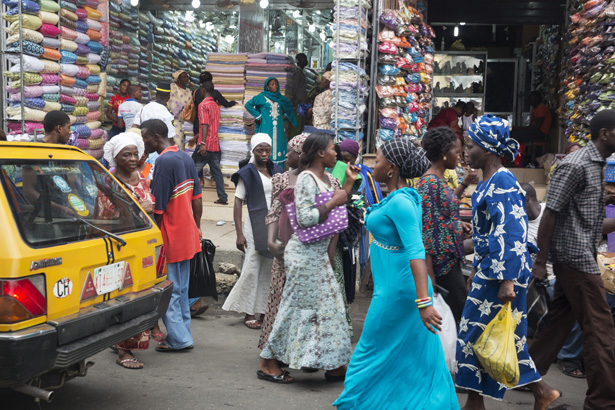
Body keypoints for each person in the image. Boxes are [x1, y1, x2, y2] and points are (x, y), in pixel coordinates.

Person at [334, 138, 459, 410]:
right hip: (396, 289)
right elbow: (370, 217)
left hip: (399, 293)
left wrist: (424, 302)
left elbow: (416, 251)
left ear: (391, 168)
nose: (372, 165)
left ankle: (358, 403)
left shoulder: (402, 202)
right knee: (408, 355)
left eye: (376, 161)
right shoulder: (395, 198)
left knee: (369, 351)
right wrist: (351, 185)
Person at [455, 114, 560, 410]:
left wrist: (507, 281)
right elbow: (489, 233)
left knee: (476, 334)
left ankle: (477, 403)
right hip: (490, 270)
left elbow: (512, 232)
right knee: (498, 335)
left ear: (488, 149)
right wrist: (476, 268)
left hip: (503, 273)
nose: (467, 150)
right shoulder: (491, 179)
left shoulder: (502, 180)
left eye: (472, 145)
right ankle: (539, 392)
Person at [529, 109, 615, 410]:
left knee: (557, 324)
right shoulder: (576, 166)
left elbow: (585, 219)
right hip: (574, 260)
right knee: (600, 329)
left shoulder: (596, 165)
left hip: (580, 255)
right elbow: (550, 212)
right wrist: (541, 260)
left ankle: (524, 375)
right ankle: (602, 401)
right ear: (605, 134)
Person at [259, 133, 358, 383]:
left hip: (318, 254)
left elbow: (337, 211)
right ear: (320, 153)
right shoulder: (306, 179)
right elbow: (305, 219)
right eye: (333, 149)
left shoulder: (325, 178)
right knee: (294, 309)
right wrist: (334, 200)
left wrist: (347, 185)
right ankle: (268, 363)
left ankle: (335, 365)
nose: (337, 153)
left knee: (330, 310)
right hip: (303, 256)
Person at [141, 119, 202, 352]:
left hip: (171, 234)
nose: (144, 141)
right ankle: (182, 333)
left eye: (145, 136)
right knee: (182, 288)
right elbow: (197, 199)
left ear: (156, 136)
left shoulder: (164, 161)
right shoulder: (185, 157)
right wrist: (196, 227)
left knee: (170, 290)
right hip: (187, 232)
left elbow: (158, 207)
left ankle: (179, 338)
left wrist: (152, 235)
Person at [102, 132, 155, 369]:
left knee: (142, 295)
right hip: (122, 248)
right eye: (126, 155)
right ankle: (123, 351)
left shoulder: (141, 178)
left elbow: (151, 205)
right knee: (125, 298)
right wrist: (137, 209)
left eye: (135, 153)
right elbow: (105, 217)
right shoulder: (110, 182)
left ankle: (126, 343)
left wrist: (149, 207)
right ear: (115, 158)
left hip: (143, 247)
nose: (133, 159)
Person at [222, 133, 284, 329]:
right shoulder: (247, 173)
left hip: (275, 224)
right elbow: (238, 202)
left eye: (267, 150)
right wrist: (239, 234)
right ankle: (249, 312)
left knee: (270, 268)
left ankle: (267, 311)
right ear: (253, 151)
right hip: (254, 225)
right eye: (260, 150)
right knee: (253, 266)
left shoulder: (277, 170)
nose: (264, 154)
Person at [417, 127, 474, 324]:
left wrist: (457, 225)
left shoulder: (439, 180)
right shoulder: (430, 184)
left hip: (450, 260)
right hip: (441, 267)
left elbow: (442, 216)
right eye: (456, 152)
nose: (459, 157)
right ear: (443, 154)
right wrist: (429, 276)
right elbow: (426, 230)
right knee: (457, 316)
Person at [258, 133, 308, 352]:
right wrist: (270, 241)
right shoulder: (282, 179)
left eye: (290, 151)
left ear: (303, 155)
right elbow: (274, 212)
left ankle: (302, 351)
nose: (286, 155)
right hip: (285, 252)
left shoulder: (328, 181)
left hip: (310, 254)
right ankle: (276, 350)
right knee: (281, 300)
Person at [245, 77, 297, 165]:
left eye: (276, 84)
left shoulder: (281, 98)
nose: (275, 86)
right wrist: (259, 116)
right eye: (272, 85)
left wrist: (283, 116)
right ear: (267, 87)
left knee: (279, 147)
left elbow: (288, 108)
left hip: (279, 128)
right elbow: (248, 105)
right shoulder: (261, 97)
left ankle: (278, 172)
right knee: (266, 144)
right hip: (266, 127)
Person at [193, 81, 228, 205]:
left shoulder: (203, 105)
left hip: (205, 145)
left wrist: (202, 143)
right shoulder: (216, 106)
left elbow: (205, 125)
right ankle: (223, 197)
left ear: (203, 90)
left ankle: (186, 196)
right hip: (215, 144)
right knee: (216, 172)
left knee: (191, 170)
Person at [193, 71, 237, 143]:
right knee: (208, 143)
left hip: (198, 122)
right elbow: (226, 104)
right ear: (211, 80)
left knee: (198, 144)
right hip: (210, 124)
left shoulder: (194, 92)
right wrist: (233, 102)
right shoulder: (215, 93)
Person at [168, 70, 192, 149]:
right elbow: (172, 101)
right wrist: (184, 108)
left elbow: (191, 104)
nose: (186, 79)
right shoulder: (173, 87)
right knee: (178, 142)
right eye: (183, 77)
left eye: (187, 77)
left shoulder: (189, 91)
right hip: (176, 120)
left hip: (187, 121)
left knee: (189, 144)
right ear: (178, 79)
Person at [287, 53, 308, 138]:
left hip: (301, 104)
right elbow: (294, 88)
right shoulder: (297, 73)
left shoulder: (301, 72)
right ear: (298, 61)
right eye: (303, 59)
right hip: (298, 104)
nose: (306, 61)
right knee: (296, 126)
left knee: (300, 126)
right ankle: (293, 145)